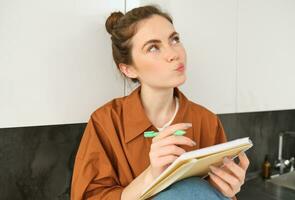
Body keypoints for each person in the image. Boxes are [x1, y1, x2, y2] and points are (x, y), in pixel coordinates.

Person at [71, 5, 249, 200]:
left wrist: (225, 190)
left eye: (174, 39)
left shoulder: (206, 120)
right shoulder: (105, 122)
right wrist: (151, 176)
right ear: (128, 69)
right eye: (153, 47)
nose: (174, 53)